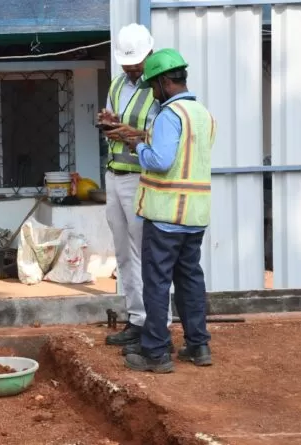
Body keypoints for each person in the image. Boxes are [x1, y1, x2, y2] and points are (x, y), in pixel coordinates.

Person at [118, 49, 216, 373]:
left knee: (157, 282)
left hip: (165, 217)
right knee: (189, 279)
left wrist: (140, 147)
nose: (152, 94)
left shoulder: (168, 115)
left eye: (153, 87)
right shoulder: (202, 114)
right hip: (195, 216)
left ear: (163, 82)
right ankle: (198, 345)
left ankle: (156, 353)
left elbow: (161, 161)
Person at [97, 23, 172, 354]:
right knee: (124, 254)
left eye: (135, 63)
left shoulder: (160, 88)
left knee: (147, 254)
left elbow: (165, 138)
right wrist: (109, 123)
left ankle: (158, 325)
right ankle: (137, 318)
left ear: (149, 54)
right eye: (127, 63)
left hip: (140, 179)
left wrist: (130, 134)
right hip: (114, 175)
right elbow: (116, 122)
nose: (130, 69)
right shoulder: (117, 84)